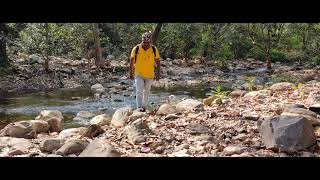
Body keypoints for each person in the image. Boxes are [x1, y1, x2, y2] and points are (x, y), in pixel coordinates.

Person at [129, 31, 160, 112]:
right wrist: (130, 73)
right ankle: (139, 107)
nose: (146, 44)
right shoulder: (136, 49)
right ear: (142, 41)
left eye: (148, 42)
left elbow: (157, 61)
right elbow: (131, 61)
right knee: (139, 90)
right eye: (144, 42)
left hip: (150, 75)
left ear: (150, 41)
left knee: (147, 91)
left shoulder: (153, 49)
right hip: (139, 74)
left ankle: (144, 106)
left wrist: (158, 73)